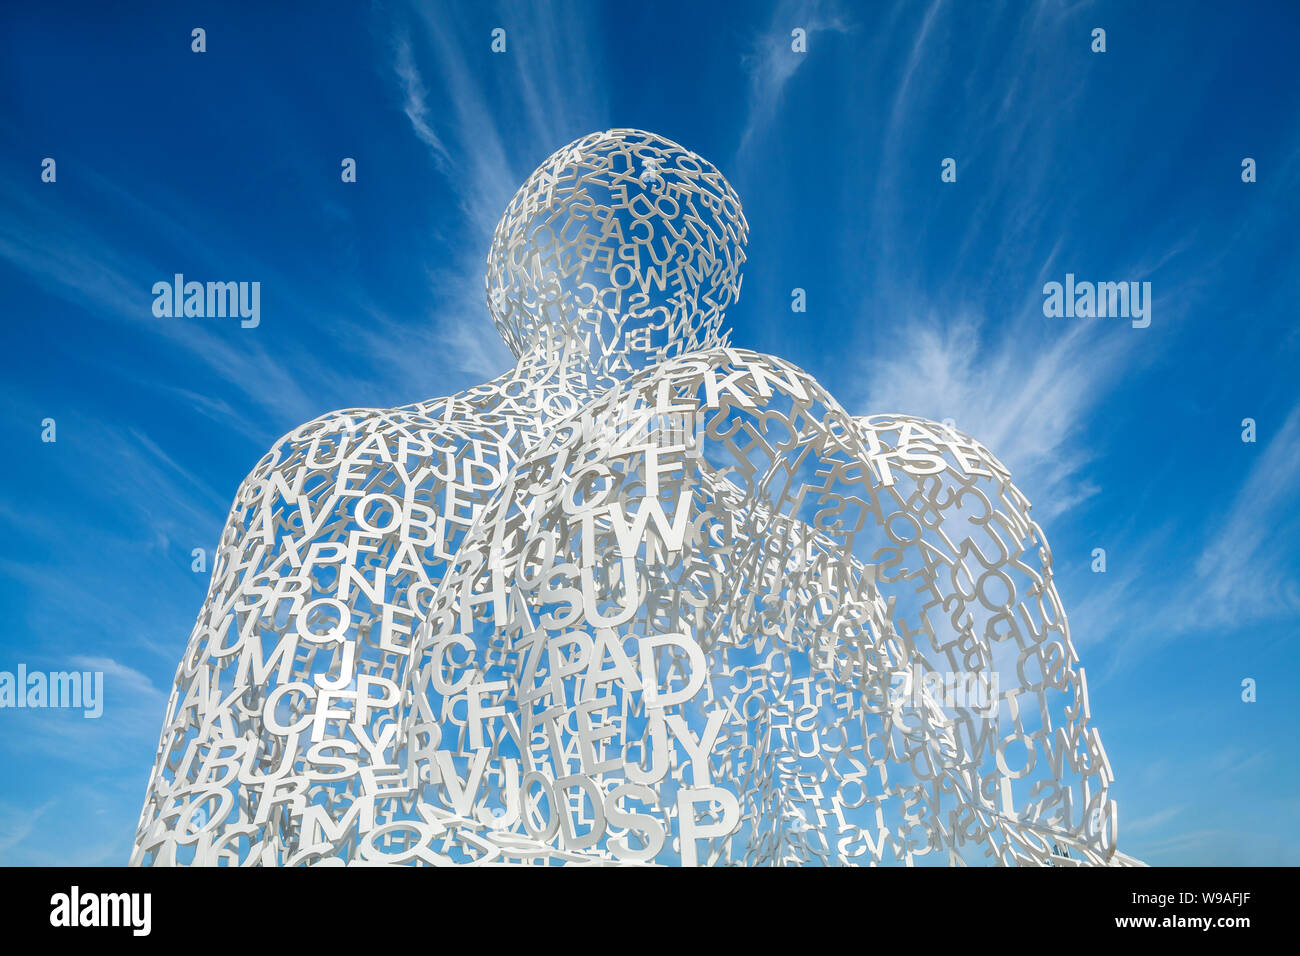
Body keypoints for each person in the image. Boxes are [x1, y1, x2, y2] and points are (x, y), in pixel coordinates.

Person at [132, 129, 1129, 866]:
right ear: (712, 301)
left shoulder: (342, 464)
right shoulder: (908, 481)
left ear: (509, 289)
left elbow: (262, 820)